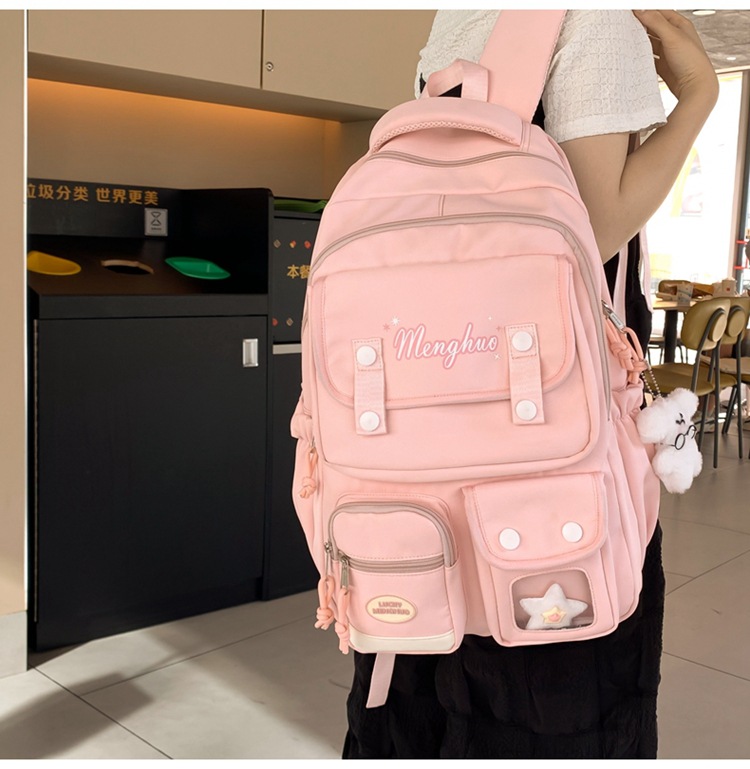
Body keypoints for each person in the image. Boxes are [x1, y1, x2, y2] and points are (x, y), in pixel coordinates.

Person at [341, 10, 718, 760]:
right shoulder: (596, 16)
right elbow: (591, 232)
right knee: (551, 704)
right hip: (546, 477)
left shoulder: (455, 18)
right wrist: (700, 95)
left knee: (417, 702)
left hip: (416, 486)